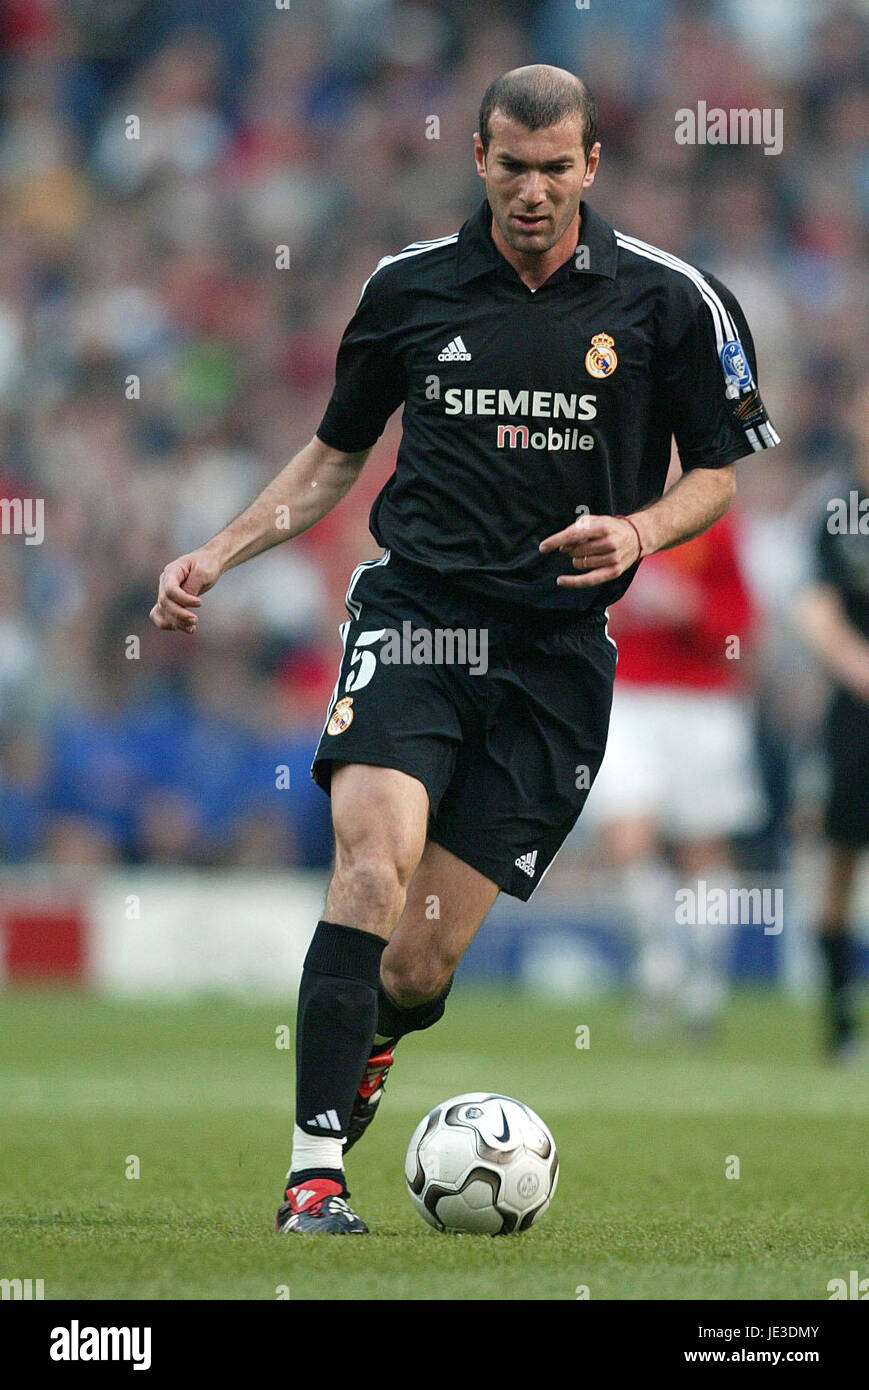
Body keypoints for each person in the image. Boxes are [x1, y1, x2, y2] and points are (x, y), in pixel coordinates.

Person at [150, 65, 779, 1233]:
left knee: (419, 965)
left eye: (555, 168)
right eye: (510, 165)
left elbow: (716, 474)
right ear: (478, 158)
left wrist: (637, 527)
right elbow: (336, 454)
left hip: (555, 658)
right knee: (368, 868)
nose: (531, 190)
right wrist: (219, 551)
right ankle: (313, 1173)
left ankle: (373, 1046)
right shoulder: (408, 290)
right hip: (415, 620)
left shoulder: (670, 301)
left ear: (591, 164)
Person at [794, 379, 868, 1060]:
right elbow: (813, 608)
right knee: (839, 862)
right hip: (856, 712)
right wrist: (860, 669)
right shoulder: (837, 508)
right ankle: (838, 1024)